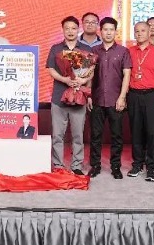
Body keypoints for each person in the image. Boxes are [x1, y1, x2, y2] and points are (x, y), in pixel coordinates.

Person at [46, 16, 93, 175]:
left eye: (73, 28)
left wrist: (82, 80)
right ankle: (58, 165)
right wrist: (65, 79)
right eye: (67, 28)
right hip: (59, 97)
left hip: (79, 97)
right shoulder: (56, 48)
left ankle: (77, 165)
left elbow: (90, 71)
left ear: (78, 29)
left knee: (78, 135)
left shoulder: (85, 49)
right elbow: (51, 69)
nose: (70, 31)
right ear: (63, 30)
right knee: (57, 135)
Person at [87, 17, 131, 179]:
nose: (108, 32)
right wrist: (88, 95)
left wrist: (122, 97)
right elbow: (89, 75)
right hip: (97, 99)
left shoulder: (123, 51)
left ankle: (115, 167)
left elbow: (127, 75)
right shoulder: (94, 51)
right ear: (101, 31)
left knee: (117, 136)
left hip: (115, 99)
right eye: (105, 29)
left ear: (115, 32)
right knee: (95, 135)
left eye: (111, 29)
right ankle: (95, 166)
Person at [127, 21, 154, 182]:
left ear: (149, 32)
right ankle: (137, 164)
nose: (139, 34)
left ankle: (152, 167)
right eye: (137, 31)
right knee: (136, 131)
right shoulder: (129, 51)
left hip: (153, 95)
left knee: (153, 132)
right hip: (134, 95)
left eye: (143, 31)